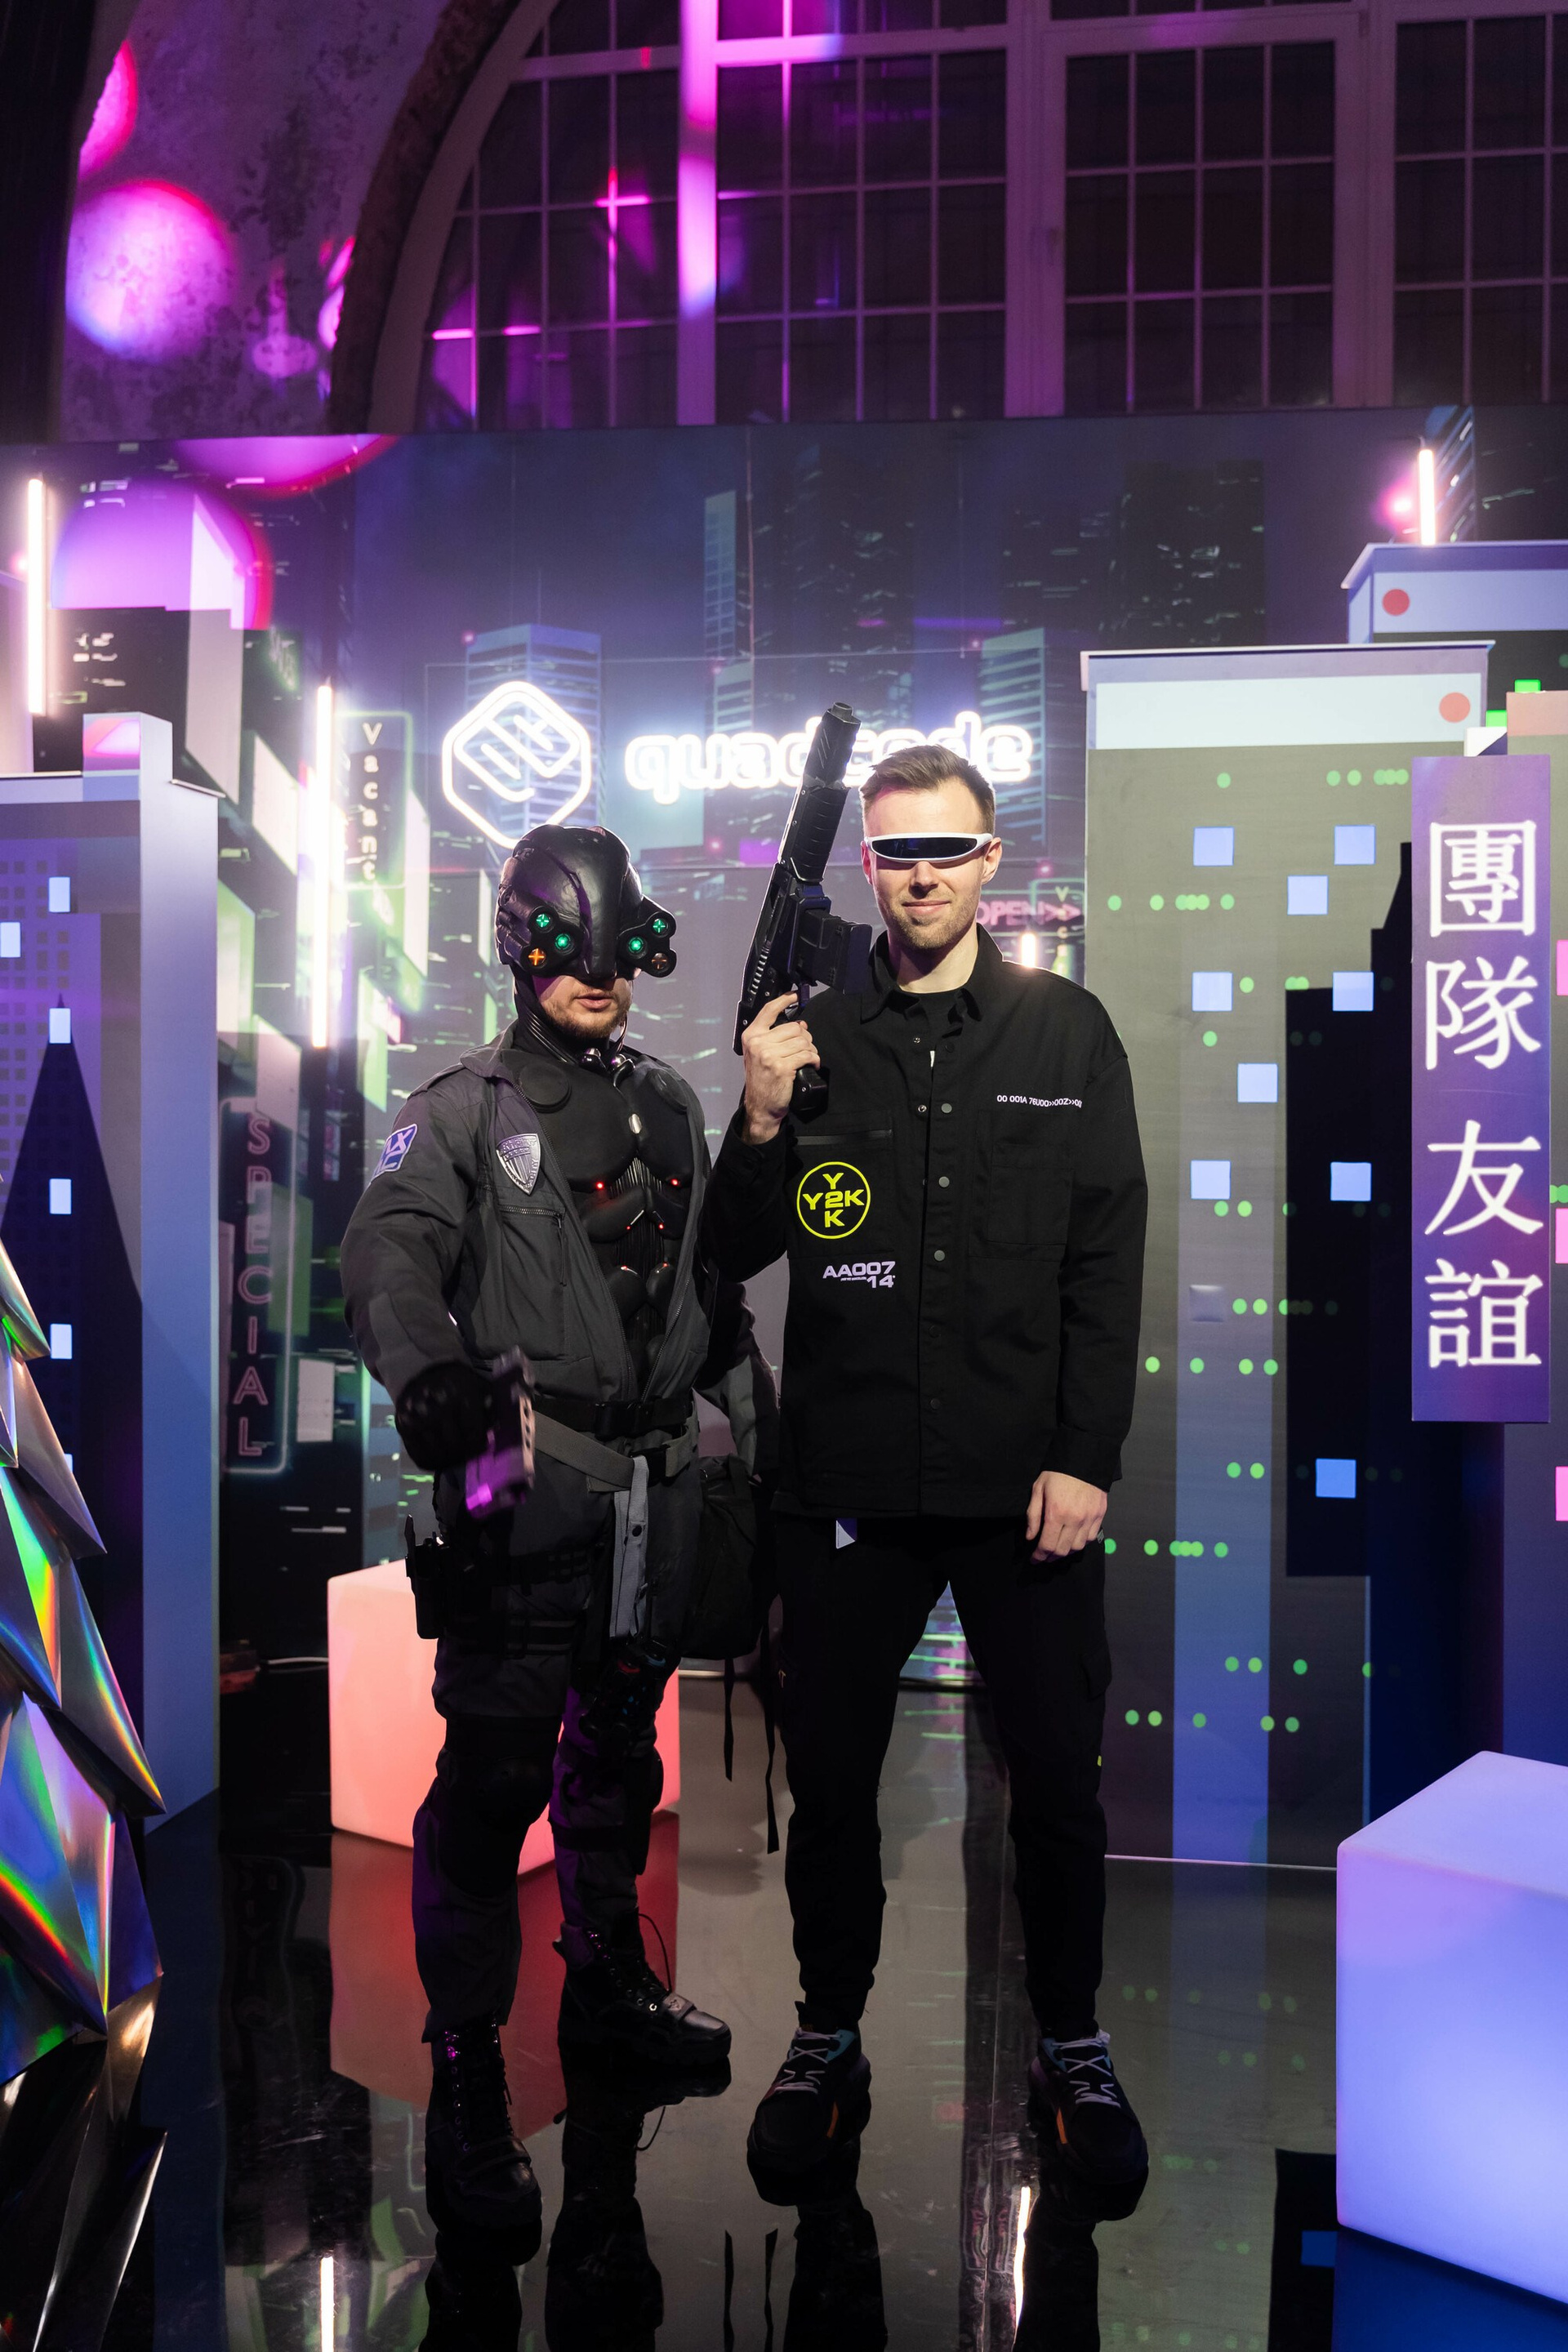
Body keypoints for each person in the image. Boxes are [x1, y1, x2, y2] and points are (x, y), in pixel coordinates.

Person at [701, 743, 1148, 2186]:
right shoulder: (811, 1034)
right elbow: (731, 1255)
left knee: (1058, 1785)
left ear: (991, 860)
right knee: (833, 1786)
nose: (921, 875)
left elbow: (1105, 1262)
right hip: (846, 1487)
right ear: (870, 864)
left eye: (947, 850)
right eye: (897, 852)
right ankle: (826, 2033)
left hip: (1026, 1492)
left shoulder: (1067, 1036)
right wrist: (758, 1117)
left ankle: (1072, 2038)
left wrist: (1086, 1458)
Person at [341, 823, 773, 2252]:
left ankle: (606, 1987)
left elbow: (705, 1290)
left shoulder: (669, 1106)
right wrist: (429, 1377)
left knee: (618, 1757)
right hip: (509, 1468)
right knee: (491, 1780)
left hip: (653, 1487)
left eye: (616, 953)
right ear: (521, 949)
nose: (597, 978)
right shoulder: (460, 1110)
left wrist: (757, 1431)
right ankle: (468, 2067)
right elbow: (389, 1250)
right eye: (567, 952)